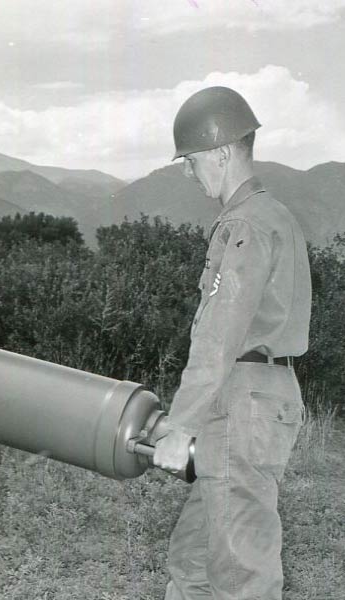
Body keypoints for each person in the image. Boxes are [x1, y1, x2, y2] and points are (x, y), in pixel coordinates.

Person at [153, 86, 310, 600]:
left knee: (241, 573)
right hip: (259, 396)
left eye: (191, 160)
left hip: (241, 402)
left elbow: (219, 336)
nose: (186, 172)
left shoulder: (245, 224)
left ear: (222, 153)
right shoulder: (275, 215)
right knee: (193, 557)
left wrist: (180, 427)